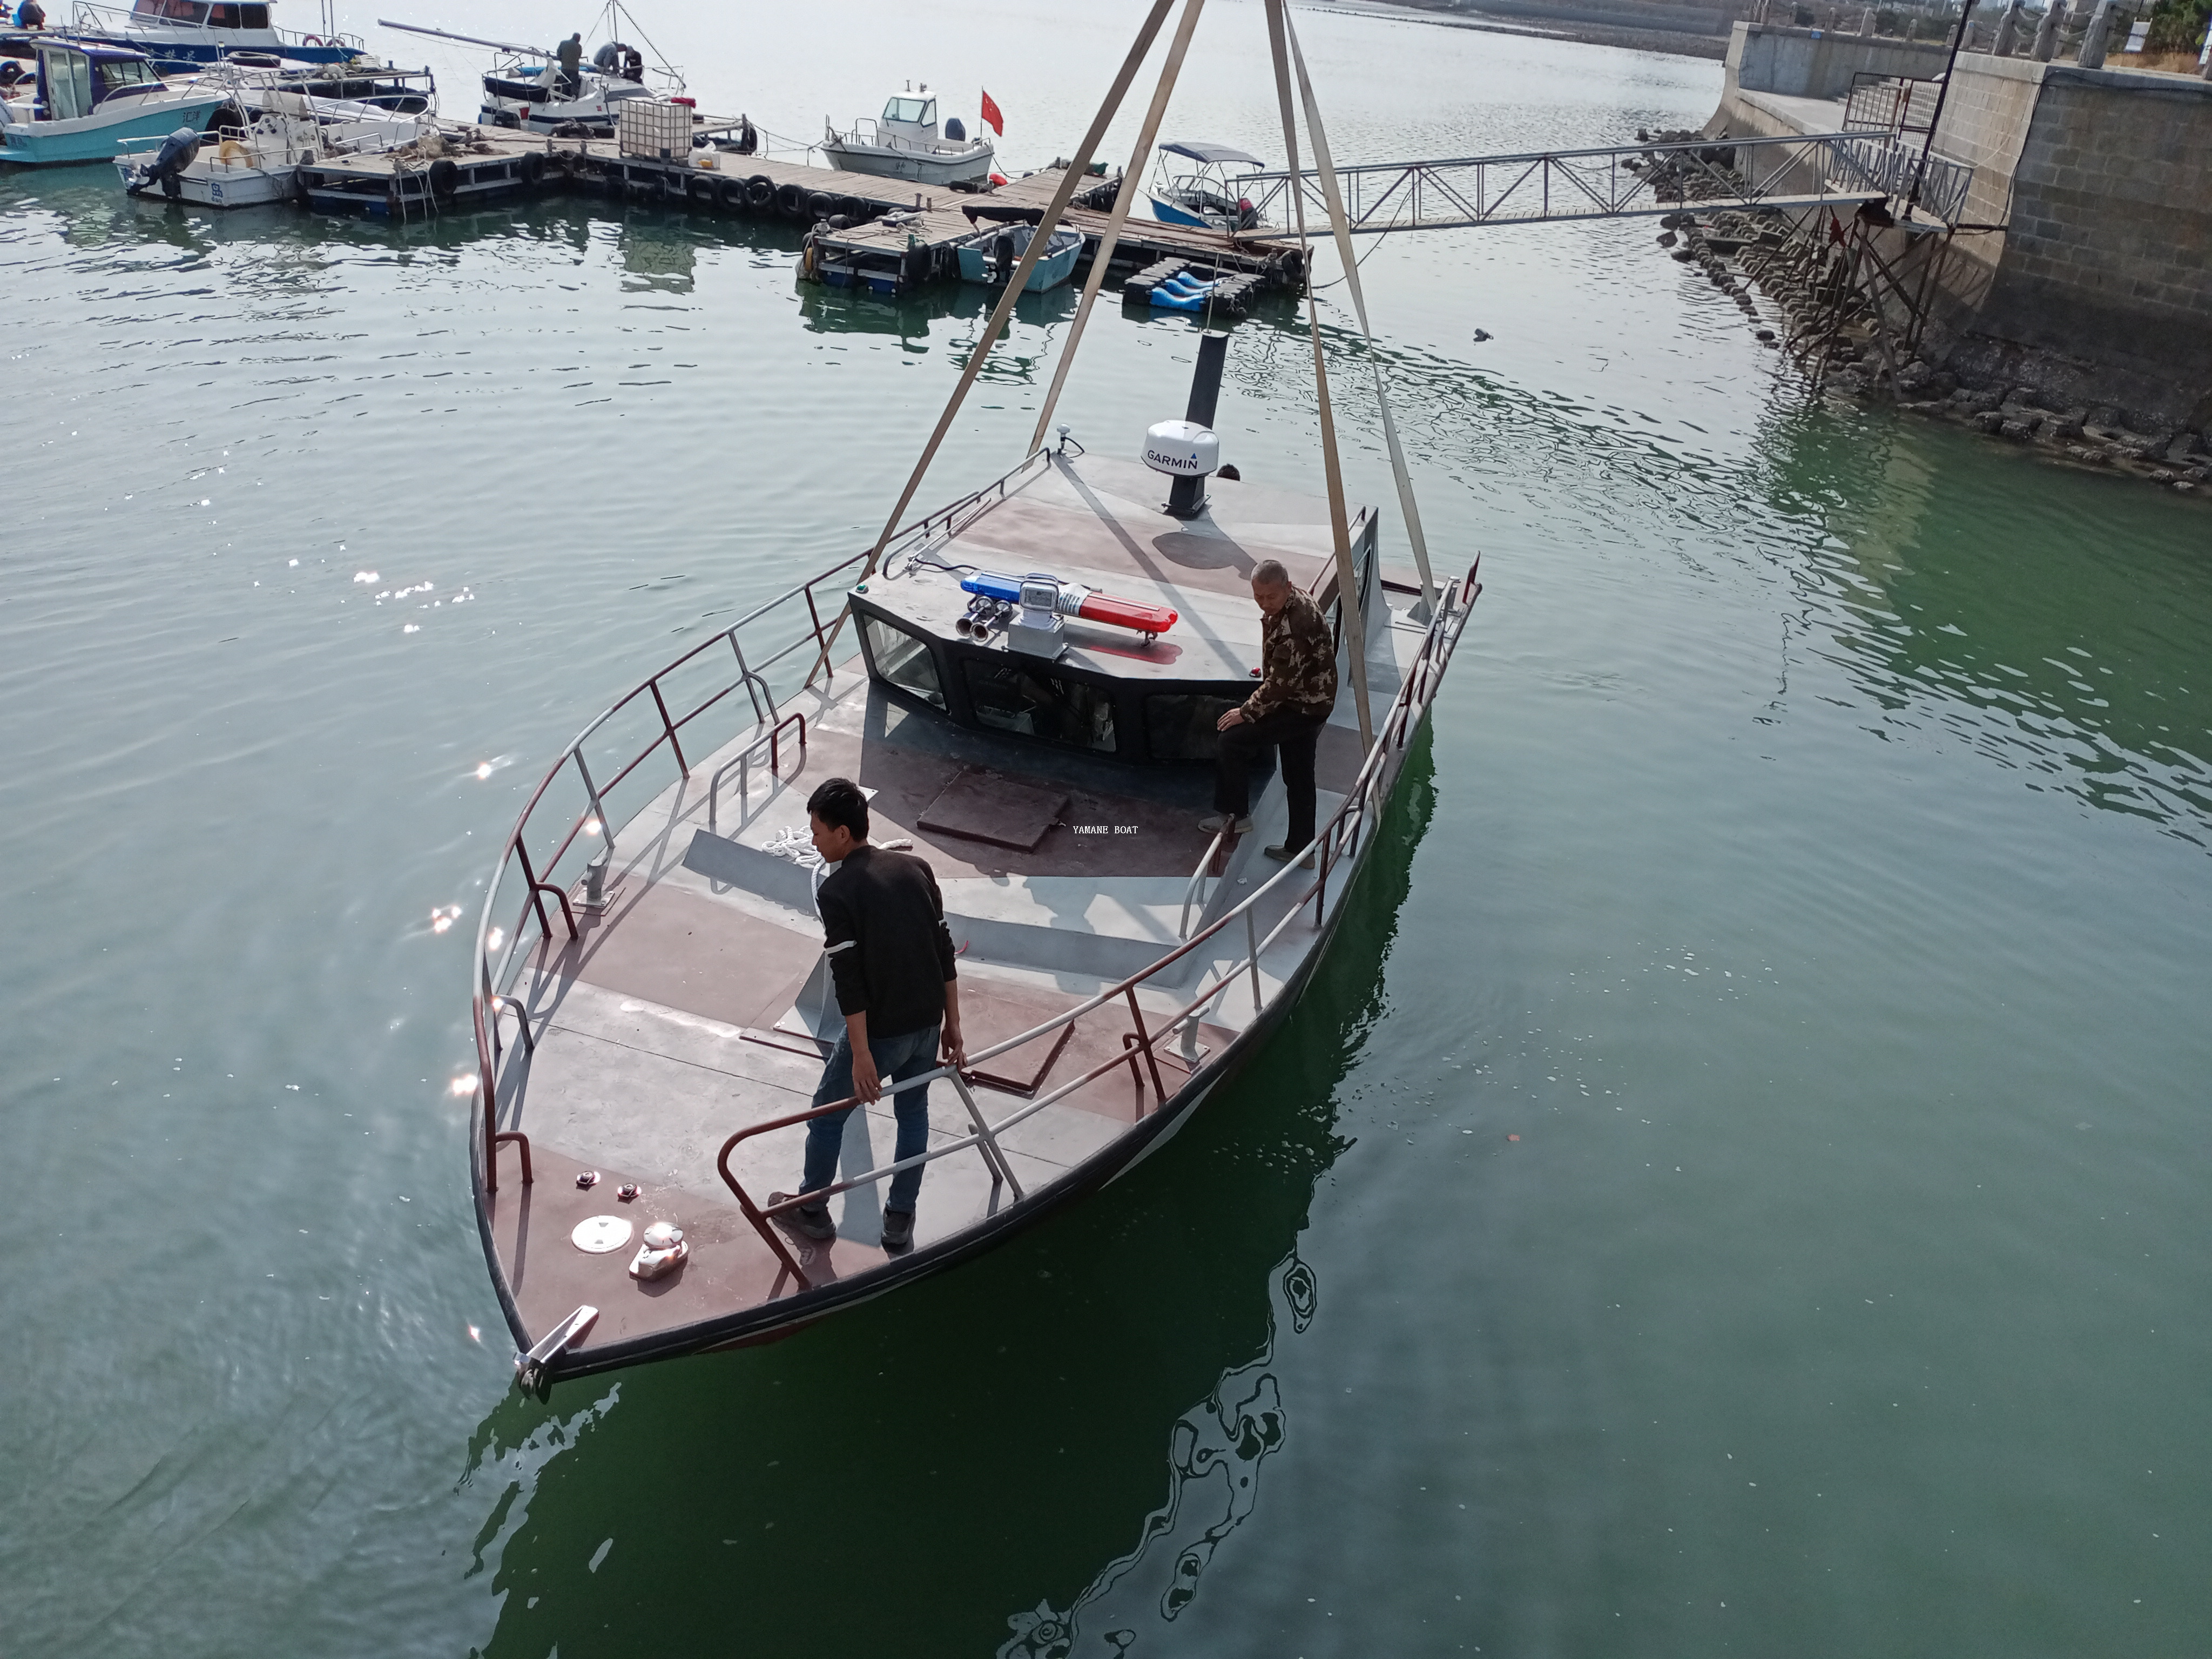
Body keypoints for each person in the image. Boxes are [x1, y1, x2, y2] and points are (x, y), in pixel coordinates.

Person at [771, 777, 965, 1257]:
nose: (813, 841)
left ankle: (812, 1209)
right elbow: (944, 952)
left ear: (842, 833)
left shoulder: (837, 894)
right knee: (913, 1114)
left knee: (828, 1114)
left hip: (881, 1033)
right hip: (928, 1024)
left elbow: (850, 982)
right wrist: (953, 1025)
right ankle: (899, 1217)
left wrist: (860, 1055)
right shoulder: (916, 868)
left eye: (817, 831)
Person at [1201, 558, 1338, 865]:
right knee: (1299, 775)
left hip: (1301, 706)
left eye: (1270, 597)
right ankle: (1302, 851)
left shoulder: (1295, 627)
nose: (1264, 604)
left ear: (1287, 588)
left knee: (1231, 740)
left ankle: (1236, 816)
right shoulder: (1294, 599)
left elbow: (1279, 687)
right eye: (1258, 597)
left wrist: (1246, 712)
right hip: (1314, 700)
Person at [554, 32, 582, 99]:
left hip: (565, 68)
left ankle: (564, 99)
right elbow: (579, 56)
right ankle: (573, 98)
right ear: (578, 39)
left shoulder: (563, 43)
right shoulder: (579, 47)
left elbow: (559, 54)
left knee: (564, 85)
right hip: (574, 69)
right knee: (574, 86)